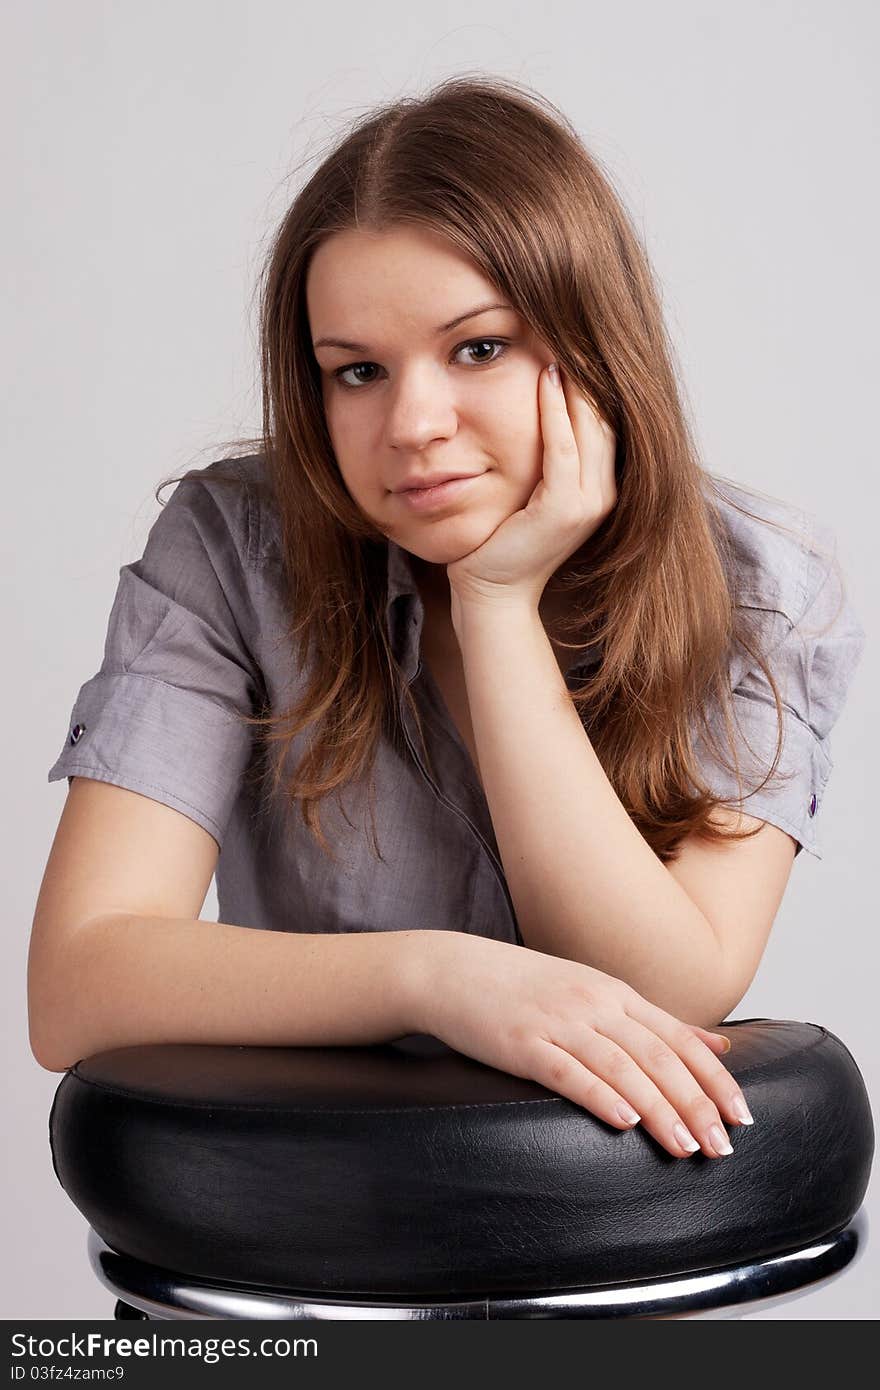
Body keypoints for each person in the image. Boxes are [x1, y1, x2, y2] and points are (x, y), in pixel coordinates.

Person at [28, 75, 865, 1167]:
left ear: (591, 343)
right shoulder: (234, 549)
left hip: (599, 1225)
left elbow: (671, 979)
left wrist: (499, 603)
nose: (413, 425)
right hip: (325, 1215)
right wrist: (437, 975)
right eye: (358, 372)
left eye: (477, 348)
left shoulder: (760, 584)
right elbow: (78, 985)